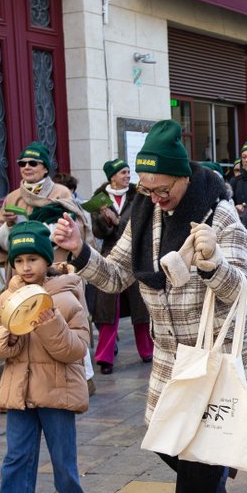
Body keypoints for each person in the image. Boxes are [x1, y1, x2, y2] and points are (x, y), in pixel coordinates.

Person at [52, 120, 247, 493]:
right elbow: (115, 277)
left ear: (183, 176)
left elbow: (239, 288)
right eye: (146, 188)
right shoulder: (144, 215)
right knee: (166, 440)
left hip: (214, 349)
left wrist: (212, 263)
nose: (155, 196)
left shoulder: (219, 215)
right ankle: (215, 481)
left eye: (162, 188)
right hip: (169, 351)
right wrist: (79, 250)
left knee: (195, 451)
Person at [0, 222, 89, 493]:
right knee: (16, 459)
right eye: (19, 260)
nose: (25, 267)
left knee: (62, 456)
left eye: (33, 260)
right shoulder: (7, 298)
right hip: (19, 392)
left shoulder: (66, 297)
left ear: (46, 260)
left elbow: (77, 348)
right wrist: (8, 335)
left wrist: (49, 323)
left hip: (57, 390)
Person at [88, 158, 153, 374]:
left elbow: (145, 221)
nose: (127, 176)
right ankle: (105, 357)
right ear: (112, 177)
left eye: (128, 172)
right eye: (123, 172)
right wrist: (105, 222)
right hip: (110, 256)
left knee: (140, 306)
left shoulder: (140, 194)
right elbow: (99, 233)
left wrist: (118, 222)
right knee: (108, 308)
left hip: (137, 254)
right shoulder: (99, 199)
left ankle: (147, 350)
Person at [0, 142, 80, 269]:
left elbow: (77, 227)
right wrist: (9, 226)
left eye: (33, 163)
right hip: (22, 269)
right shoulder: (12, 197)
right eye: (22, 163)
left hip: (56, 264)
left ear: (45, 169)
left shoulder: (61, 192)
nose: (26, 167)